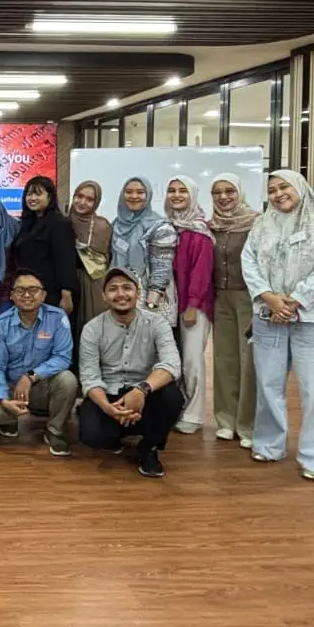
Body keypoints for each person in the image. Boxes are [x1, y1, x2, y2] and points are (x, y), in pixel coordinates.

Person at [242, 170, 314, 481]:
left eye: (284, 187)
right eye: (272, 190)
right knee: (268, 384)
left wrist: (293, 303)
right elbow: (249, 263)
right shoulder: (261, 225)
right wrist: (270, 298)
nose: (278, 194)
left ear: (301, 188)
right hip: (268, 315)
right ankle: (268, 444)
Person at [77, 268, 185, 478]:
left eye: (127, 288)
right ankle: (116, 434)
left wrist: (141, 390)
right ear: (104, 296)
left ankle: (149, 447)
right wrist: (107, 407)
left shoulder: (157, 323)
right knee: (92, 435)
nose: (120, 294)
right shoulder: (92, 329)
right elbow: (90, 377)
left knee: (172, 397)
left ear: (138, 293)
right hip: (110, 395)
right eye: (113, 289)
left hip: (146, 393)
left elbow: (172, 365)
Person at [0, 268, 78, 455]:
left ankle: (55, 431)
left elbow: (63, 357)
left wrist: (31, 376)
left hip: (42, 384)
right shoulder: (0, 323)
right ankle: (10, 419)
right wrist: (3, 399)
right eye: (20, 290)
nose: (26, 295)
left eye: (33, 290)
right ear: (12, 295)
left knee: (68, 380)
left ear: (44, 295)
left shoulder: (57, 318)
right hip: (11, 385)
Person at [208, 172, 259, 449]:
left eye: (229, 191)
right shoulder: (211, 225)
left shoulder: (256, 223)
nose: (223, 197)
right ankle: (225, 421)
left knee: (249, 360)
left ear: (240, 193)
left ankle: (247, 424)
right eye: (217, 192)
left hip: (249, 298)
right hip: (221, 298)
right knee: (224, 359)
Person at [165, 176, 216, 435]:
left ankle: (194, 415)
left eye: (182, 191)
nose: (176, 195)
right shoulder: (169, 228)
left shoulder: (199, 232)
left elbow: (201, 273)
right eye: (172, 190)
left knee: (192, 361)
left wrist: (193, 306)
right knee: (176, 359)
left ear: (192, 196)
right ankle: (179, 408)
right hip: (171, 306)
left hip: (193, 307)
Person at [111, 176, 178, 321]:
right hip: (119, 296)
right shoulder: (116, 225)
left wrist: (151, 303)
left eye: (140, 192)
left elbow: (162, 267)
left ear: (148, 196)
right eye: (129, 192)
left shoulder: (160, 227)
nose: (134, 196)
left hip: (147, 299)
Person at [8, 176, 77, 313]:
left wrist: (66, 294)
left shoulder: (59, 223)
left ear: (50, 197)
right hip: (27, 291)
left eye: (38, 194)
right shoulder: (25, 224)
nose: (32, 198)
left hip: (51, 293)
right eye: (29, 194)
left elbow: (66, 261)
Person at [67, 180, 112, 341]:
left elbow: (107, 258)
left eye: (89, 199)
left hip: (94, 283)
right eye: (79, 196)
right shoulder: (63, 221)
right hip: (67, 283)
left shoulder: (102, 226)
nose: (82, 202)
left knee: (93, 331)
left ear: (96, 202)